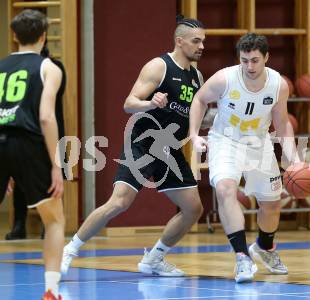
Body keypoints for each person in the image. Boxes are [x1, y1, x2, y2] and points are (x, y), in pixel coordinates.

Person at [61, 17, 206, 277]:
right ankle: (70, 249)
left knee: (193, 208)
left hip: (169, 149)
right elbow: (129, 103)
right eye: (196, 41)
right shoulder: (159, 67)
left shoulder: (196, 76)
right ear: (179, 41)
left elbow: (197, 114)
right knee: (119, 202)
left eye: (203, 41)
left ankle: (154, 258)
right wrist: (151, 103)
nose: (201, 46)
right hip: (143, 142)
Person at [189, 33, 296, 283]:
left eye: (255, 60)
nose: (249, 66)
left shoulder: (278, 84)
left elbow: (281, 123)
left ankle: (264, 248)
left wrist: (293, 157)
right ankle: (241, 257)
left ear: (266, 58)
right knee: (226, 189)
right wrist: (194, 134)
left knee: (271, 204)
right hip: (225, 140)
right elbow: (200, 99)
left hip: (259, 143)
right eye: (244, 60)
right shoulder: (225, 78)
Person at [0, 9, 65, 300]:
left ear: (14, 36)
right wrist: (56, 163)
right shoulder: (49, 67)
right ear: (44, 36)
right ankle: (51, 291)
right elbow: (46, 117)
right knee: (54, 218)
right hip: (28, 143)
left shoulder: (0, 66)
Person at [4, 44, 66, 241]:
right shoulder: (12, 67)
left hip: (46, 130)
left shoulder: (53, 67)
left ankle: (48, 226)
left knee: (53, 183)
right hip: (23, 130)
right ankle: (20, 223)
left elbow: (49, 110)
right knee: (20, 179)